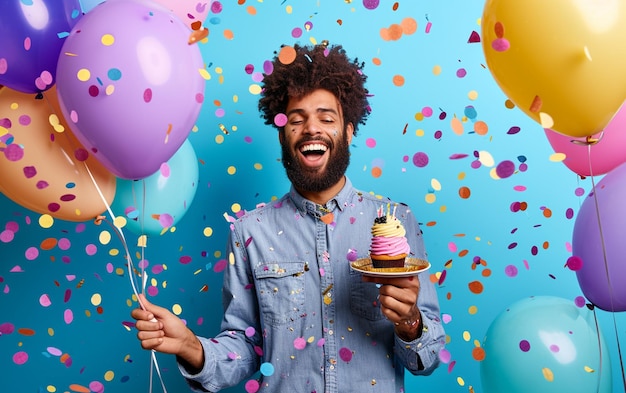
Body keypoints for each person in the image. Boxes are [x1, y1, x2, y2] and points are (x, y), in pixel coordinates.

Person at [132, 42, 446, 392]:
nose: (312, 129)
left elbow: (428, 360)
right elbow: (247, 347)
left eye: (327, 118)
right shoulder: (249, 231)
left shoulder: (396, 220)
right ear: (283, 135)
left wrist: (410, 323)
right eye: (297, 120)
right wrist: (191, 346)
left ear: (348, 130)